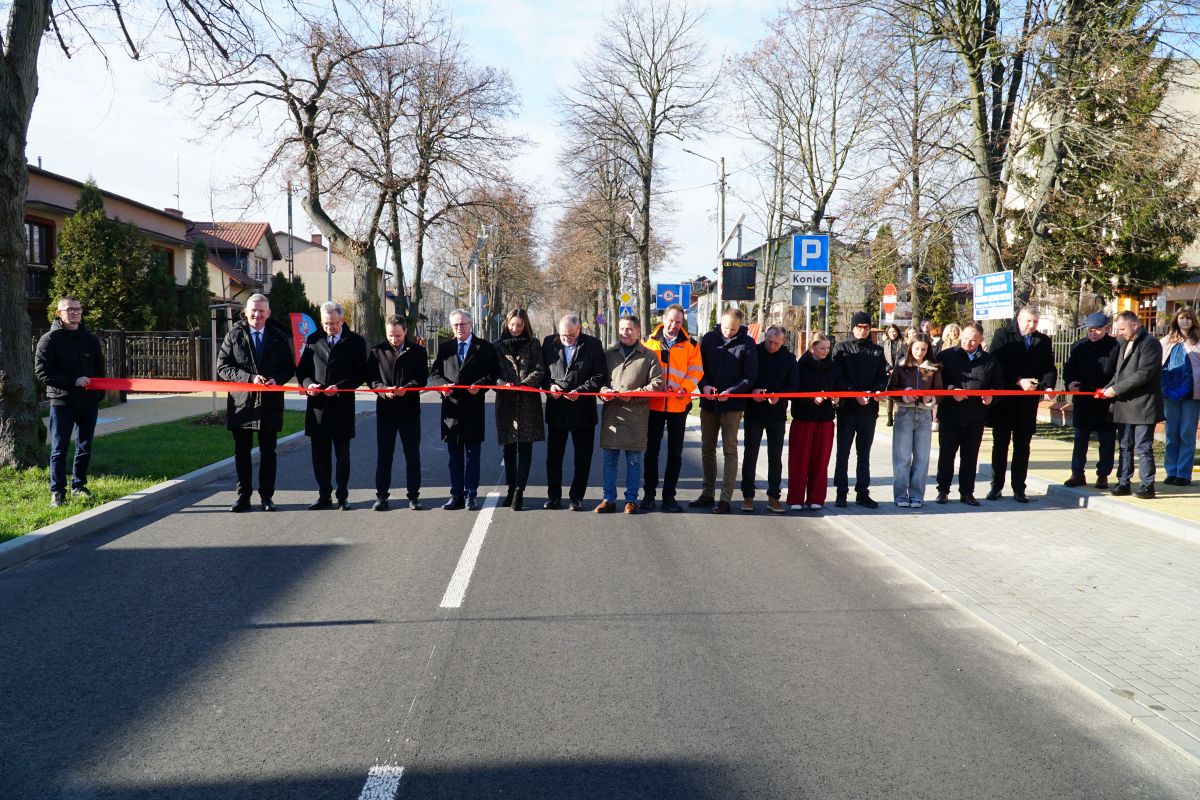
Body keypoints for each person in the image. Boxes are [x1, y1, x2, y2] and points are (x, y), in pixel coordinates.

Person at [216, 293, 296, 513]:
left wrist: (276, 379)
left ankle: (267, 497)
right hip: (242, 404)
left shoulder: (279, 337)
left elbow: (289, 368)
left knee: (268, 452)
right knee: (242, 452)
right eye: (253, 310)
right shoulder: (234, 335)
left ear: (268, 313)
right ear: (246, 312)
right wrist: (250, 378)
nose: (257, 314)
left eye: (262, 311)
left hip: (270, 404)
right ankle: (243, 497)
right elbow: (222, 367)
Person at [297, 301, 368, 511]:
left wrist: (341, 387)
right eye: (326, 324)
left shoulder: (354, 341)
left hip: (342, 407)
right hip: (318, 407)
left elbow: (360, 373)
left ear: (342, 320)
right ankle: (324, 495)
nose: (330, 328)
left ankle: (342, 496)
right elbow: (302, 371)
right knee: (319, 457)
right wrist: (309, 385)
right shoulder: (313, 340)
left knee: (342, 457)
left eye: (334, 324)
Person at [35, 297, 105, 507]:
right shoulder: (49, 340)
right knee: (59, 448)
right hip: (62, 401)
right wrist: (73, 381)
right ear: (59, 313)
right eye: (69, 310)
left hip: (88, 403)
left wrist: (99, 394)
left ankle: (79, 486)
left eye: (78, 309)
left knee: (84, 446)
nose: (74, 313)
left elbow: (99, 369)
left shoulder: (89, 339)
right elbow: (42, 372)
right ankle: (57, 491)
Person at [430, 309, 500, 511]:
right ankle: (456, 495)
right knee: (454, 457)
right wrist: (442, 385)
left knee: (472, 456)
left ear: (471, 325)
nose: (459, 328)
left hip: (473, 408)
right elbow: (434, 373)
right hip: (451, 409)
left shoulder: (484, 348)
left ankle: (471, 494)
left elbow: (492, 373)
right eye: (455, 325)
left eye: (463, 324)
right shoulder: (445, 348)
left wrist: (479, 385)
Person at [986, 305, 1057, 503]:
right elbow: (997, 363)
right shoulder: (1003, 334)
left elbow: (1048, 367)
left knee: (1023, 446)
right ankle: (996, 487)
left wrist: (1048, 386)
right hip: (1005, 402)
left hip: (1027, 403)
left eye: (1035, 322)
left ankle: (1019, 488)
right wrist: (1018, 381)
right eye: (1028, 321)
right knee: (1000, 445)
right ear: (1019, 318)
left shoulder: (1043, 340)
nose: (1032, 325)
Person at [596, 315, 663, 514]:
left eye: (629, 329)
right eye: (622, 329)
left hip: (636, 417)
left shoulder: (649, 356)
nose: (625, 333)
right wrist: (604, 391)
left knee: (634, 461)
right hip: (613, 416)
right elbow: (599, 380)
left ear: (637, 331)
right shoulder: (608, 354)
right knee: (609, 460)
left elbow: (658, 384)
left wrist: (633, 396)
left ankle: (631, 500)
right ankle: (608, 499)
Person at [695, 307, 758, 514]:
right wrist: (704, 386)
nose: (728, 332)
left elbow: (750, 376)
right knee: (707, 448)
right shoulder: (709, 339)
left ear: (740, 326)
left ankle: (725, 498)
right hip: (709, 403)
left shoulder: (747, 343)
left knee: (730, 450)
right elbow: (698, 368)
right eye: (725, 327)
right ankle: (707, 493)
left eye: (732, 329)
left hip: (732, 405)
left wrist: (732, 391)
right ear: (720, 323)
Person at [641, 303, 703, 513]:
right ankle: (649, 494)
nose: (674, 325)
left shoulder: (691, 345)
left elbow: (696, 371)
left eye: (678, 322)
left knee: (675, 454)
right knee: (651, 452)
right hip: (654, 405)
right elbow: (642, 370)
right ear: (663, 320)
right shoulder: (648, 343)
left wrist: (683, 388)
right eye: (671, 321)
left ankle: (669, 496)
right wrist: (656, 387)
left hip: (678, 405)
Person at [934, 323, 1004, 506]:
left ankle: (967, 492)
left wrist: (991, 398)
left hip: (975, 417)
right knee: (946, 455)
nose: (968, 343)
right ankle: (943, 490)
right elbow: (937, 382)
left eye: (973, 340)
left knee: (970, 457)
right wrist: (951, 390)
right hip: (950, 415)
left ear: (981, 340)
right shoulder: (945, 356)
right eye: (965, 338)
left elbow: (998, 386)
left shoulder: (990, 361)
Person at [542, 314, 606, 511]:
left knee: (582, 458)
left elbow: (599, 375)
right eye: (563, 336)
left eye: (570, 336)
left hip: (583, 410)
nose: (566, 339)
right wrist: (550, 386)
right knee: (554, 458)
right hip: (557, 408)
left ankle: (576, 497)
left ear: (579, 330)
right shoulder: (549, 343)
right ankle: (554, 497)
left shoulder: (593, 344)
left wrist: (581, 391)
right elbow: (542, 372)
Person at [366, 315, 428, 511]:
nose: (394, 340)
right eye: (391, 336)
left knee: (412, 455)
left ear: (405, 332)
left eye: (398, 336)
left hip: (409, 411)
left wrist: (407, 388)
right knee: (384, 456)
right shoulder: (377, 351)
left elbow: (422, 378)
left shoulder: (417, 351)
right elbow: (371, 380)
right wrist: (384, 390)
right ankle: (382, 496)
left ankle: (413, 496)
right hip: (386, 412)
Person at [1103, 311, 1164, 499]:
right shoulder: (1124, 344)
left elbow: (1143, 374)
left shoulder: (1150, 344)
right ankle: (1123, 482)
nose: (1119, 333)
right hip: (1125, 404)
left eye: (1122, 328)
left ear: (1135, 325)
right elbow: (1119, 374)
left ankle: (1147, 485)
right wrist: (1106, 389)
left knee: (1143, 447)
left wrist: (1116, 390)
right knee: (1124, 445)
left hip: (1144, 405)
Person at [832, 311, 888, 507]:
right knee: (843, 452)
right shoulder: (841, 348)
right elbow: (837, 376)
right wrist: (853, 392)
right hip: (847, 409)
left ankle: (862, 492)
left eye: (866, 327)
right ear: (853, 327)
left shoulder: (877, 351)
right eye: (859, 327)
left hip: (868, 410)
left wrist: (874, 392)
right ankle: (841, 492)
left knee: (864, 453)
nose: (863, 330)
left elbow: (883, 377)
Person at [494, 309, 545, 510]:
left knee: (525, 448)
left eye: (520, 325)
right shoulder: (497, 346)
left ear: (526, 326)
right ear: (507, 324)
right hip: (506, 402)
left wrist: (524, 384)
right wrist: (501, 382)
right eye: (513, 325)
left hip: (527, 403)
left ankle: (519, 491)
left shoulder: (533, 344)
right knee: (508, 449)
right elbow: (493, 372)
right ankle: (510, 488)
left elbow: (540, 369)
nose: (516, 329)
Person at [741, 325, 794, 513]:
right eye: (769, 341)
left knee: (775, 457)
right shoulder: (754, 352)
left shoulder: (789, 358)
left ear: (783, 342)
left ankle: (773, 496)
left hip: (777, 414)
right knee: (750, 455)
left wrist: (779, 395)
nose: (772, 346)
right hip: (754, 412)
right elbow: (744, 377)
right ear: (765, 337)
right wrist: (752, 391)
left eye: (776, 343)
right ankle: (748, 496)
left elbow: (793, 386)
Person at [1062, 312, 1118, 489]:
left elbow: (1118, 372)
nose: (1092, 333)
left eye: (1097, 330)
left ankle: (1103, 474)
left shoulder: (1115, 347)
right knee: (1080, 438)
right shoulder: (1079, 346)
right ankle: (1077, 473)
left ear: (1106, 329)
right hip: (1084, 401)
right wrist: (1069, 383)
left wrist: (1110, 388)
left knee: (1107, 440)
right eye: (1090, 330)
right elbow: (1069, 369)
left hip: (1106, 401)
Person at [888, 332, 942, 508]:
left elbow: (939, 392)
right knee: (902, 458)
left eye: (924, 349)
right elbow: (891, 389)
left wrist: (930, 399)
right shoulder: (902, 365)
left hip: (925, 415)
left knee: (922, 458)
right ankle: (901, 495)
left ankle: (917, 495)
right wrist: (904, 395)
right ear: (910, 347)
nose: (920, 352)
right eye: (917, 348)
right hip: (904, 413)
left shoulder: (932, 368)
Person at [787, 334, 840, 511]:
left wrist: (836, 399)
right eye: (822, 348)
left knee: (821, 461)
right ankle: (795, 498)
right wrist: (811, 399)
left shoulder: (833, 367)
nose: (826, 351)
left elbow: (838, 388)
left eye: (827, 348)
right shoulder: (800, 366)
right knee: (799, 460)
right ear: (812, 348)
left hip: (825, 419)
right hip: (803, 419)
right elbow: (794, 391)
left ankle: (816, 497)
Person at [1160, 306, 1200, 486]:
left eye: (1189, 318)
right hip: (1170, 394)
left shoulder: (1198, 340)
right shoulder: (1166, 341)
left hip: (1192, 395)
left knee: (1187, 434)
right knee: (1171, 434)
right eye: (1182, 317)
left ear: (1194, 321)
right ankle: (1171, 471)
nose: (1185, 321)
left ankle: (1183, 473)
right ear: (1176, 319)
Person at [882, 324, 904, 427]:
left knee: (897, 395)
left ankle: (896, 417)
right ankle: (889, 417)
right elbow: (882, 359)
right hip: (889, 372)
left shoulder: (903, 343)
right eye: (890, 332)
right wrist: (889, 369)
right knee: (889, 395)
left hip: (900, 371)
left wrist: (897, 369)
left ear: (897, 331)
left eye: (894, 331)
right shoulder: (885, 344)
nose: (892, 334)